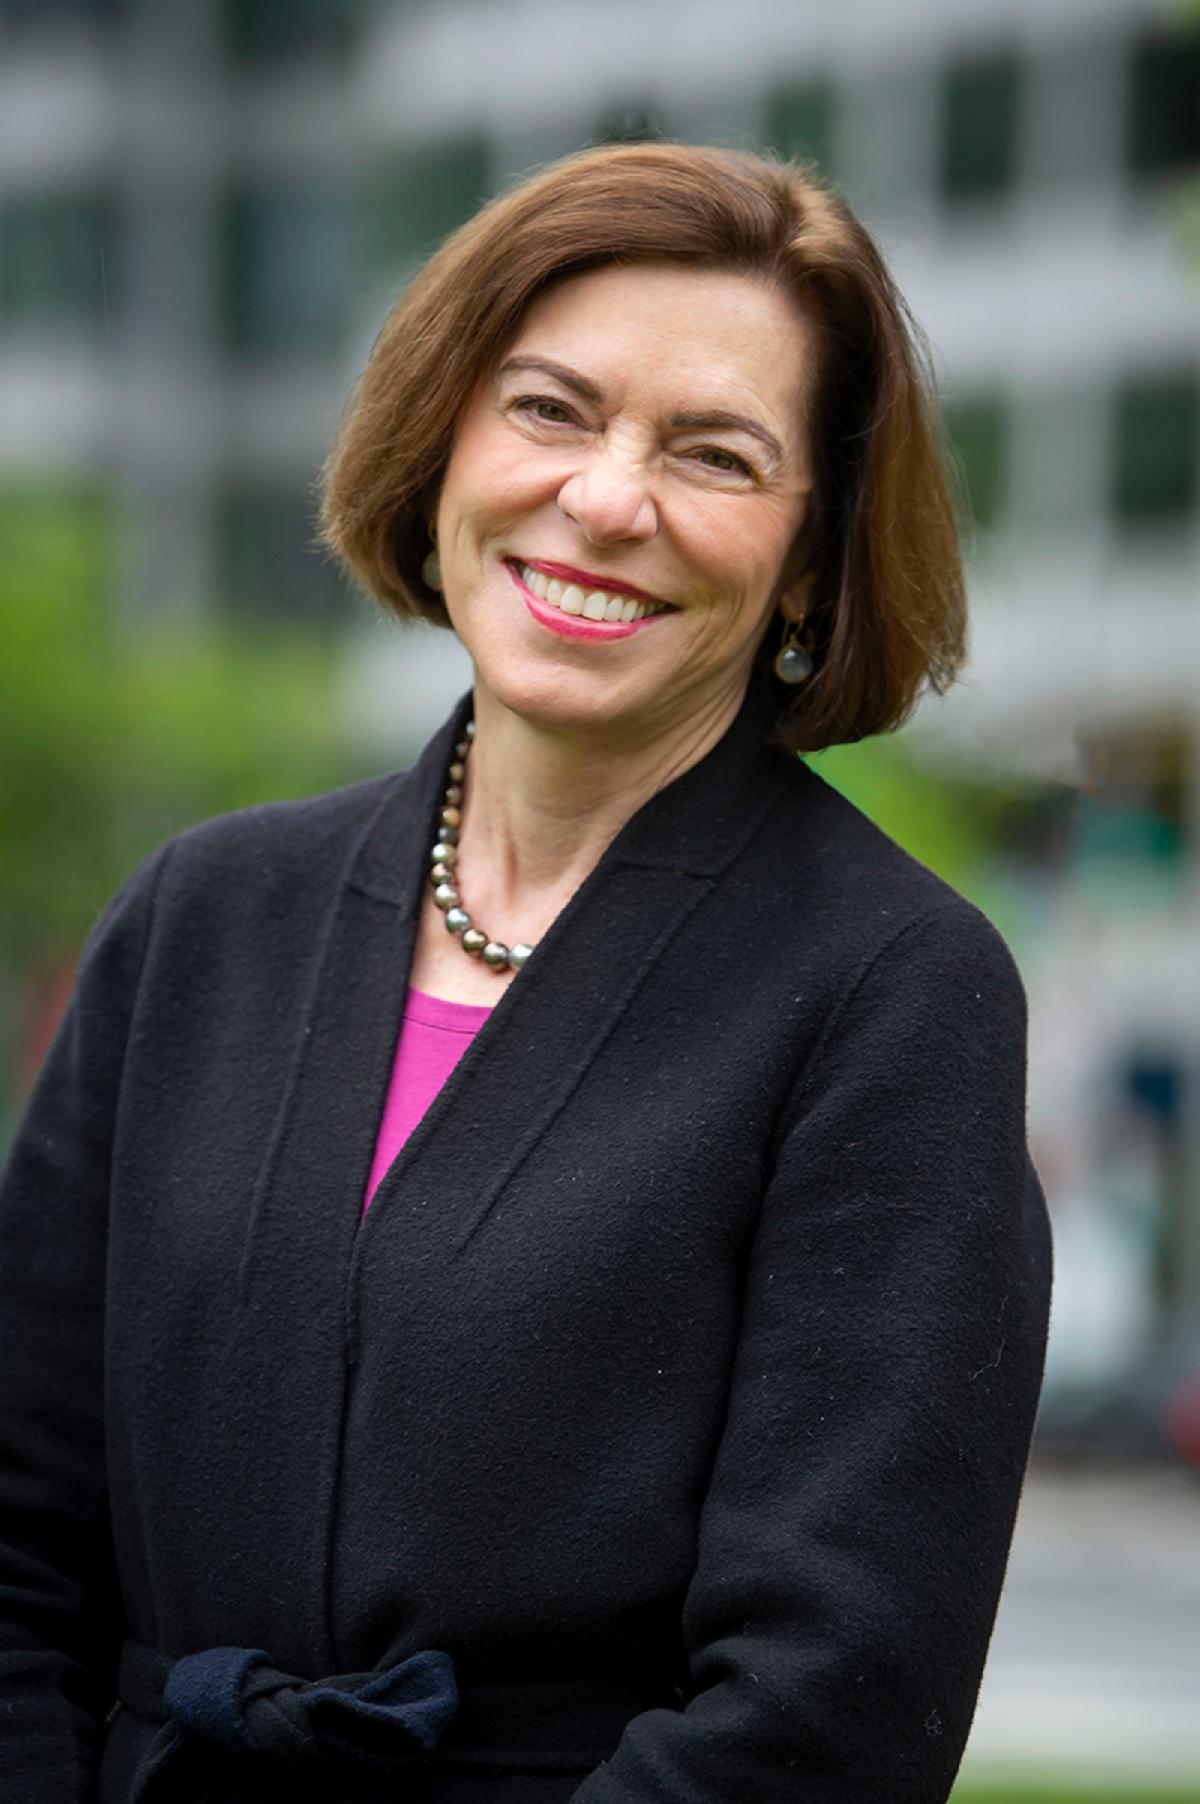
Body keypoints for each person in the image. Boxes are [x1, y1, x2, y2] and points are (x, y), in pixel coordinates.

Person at [0, 142, 1052, 1804]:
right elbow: (17, 1544)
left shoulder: (892, 990)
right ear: (442, 444)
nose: (610, 500)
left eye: (714, 454)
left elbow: (829, 1707)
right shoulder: (201, 917)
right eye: (551, 410)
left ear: (811, 557)